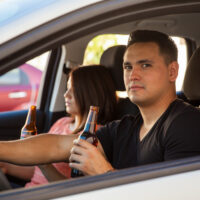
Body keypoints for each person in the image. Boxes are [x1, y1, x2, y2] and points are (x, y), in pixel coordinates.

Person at [0, 30, 200, 177]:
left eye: (145, 65)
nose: (133, 75)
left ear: (172, 72)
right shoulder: (124, 127)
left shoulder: (186, 124)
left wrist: (104, 173)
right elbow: (56, 145)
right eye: (128, 67)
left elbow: (176, 194)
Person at [0, 65, 117, 187]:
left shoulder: (94, 136)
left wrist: (44, 162)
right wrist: (6, 166)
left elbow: (74, 188)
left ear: (90, 92)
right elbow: (37, 172)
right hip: (30, 189)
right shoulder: (62, 122)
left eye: (73, 90)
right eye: (67, 88)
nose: (66, 95)